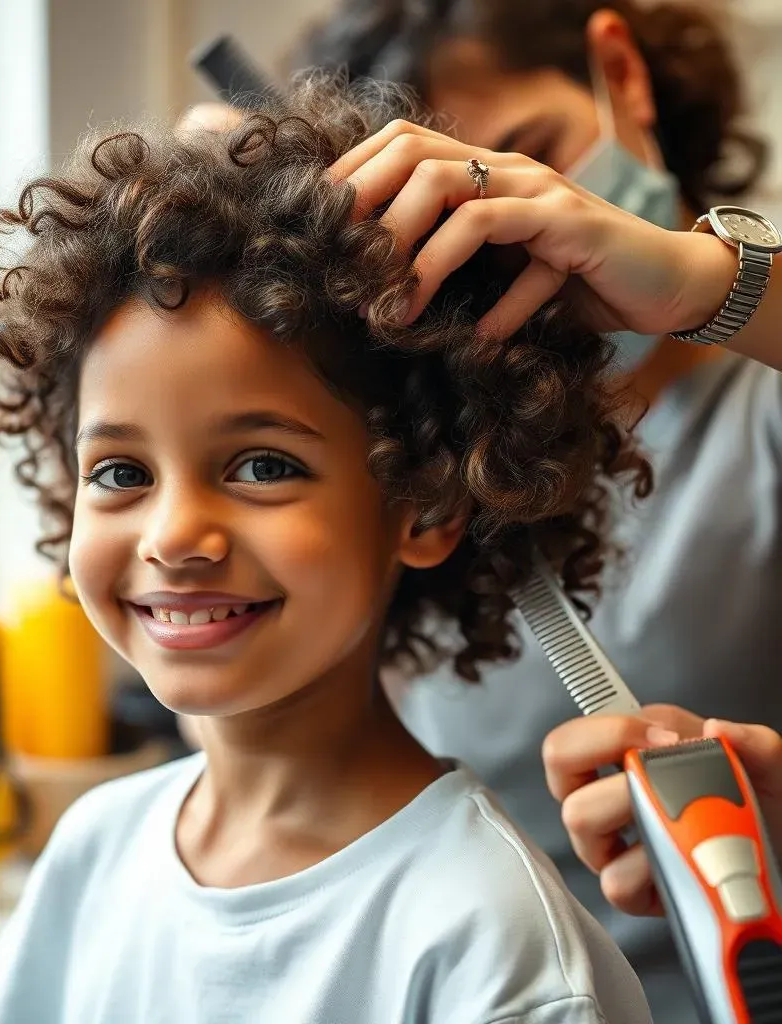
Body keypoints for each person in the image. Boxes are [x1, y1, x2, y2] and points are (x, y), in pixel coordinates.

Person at [0, 76, 655, 1023]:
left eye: (260, 465)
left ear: (423, 505)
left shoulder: (489, 945)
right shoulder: (93, 852)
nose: (173, 538)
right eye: (120, 473)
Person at [300, 2, 782, 1019]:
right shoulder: (419, 474)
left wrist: (703, 281)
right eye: (447, 230)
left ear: (621, 71)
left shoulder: (759, 411)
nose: (509, 242)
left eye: (524, 159)